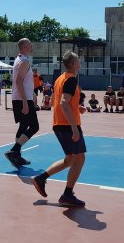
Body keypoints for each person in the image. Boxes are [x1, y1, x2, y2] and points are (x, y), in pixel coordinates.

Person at [32, 51, 87, 207]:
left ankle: (41, 178)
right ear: (75, 64)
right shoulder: (70, 80)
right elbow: (63, 103)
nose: (80, 62)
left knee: (70, 159)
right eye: (78, 60)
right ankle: (67, 195)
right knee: (79, 158)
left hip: (59, 124)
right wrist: (74, 128)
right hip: (68, 125)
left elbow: (59, 102)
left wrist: (77, 107)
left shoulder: (60, 79)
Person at [6, 38, 39, 168]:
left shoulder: (18, 59)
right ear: (25, 46)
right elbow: (19, 82)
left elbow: (22, 82)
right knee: (34, 127)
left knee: (23, 125)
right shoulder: (24, 61)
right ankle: (14, 150)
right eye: (30, 44)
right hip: (22, 99)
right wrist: (26, 102)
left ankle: (17, 157)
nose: (31, 46)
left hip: (19, 98)